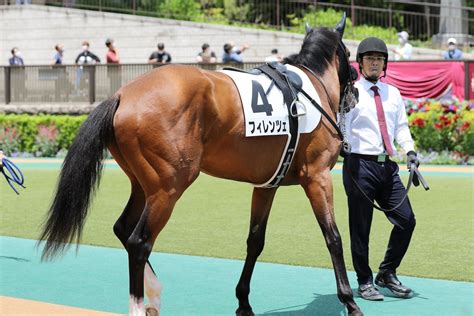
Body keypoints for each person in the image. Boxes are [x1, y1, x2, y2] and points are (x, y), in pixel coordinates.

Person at [343, 37, 419, 301]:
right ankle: (364, 281)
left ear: (384, 63)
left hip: (387, 167)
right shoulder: (350, 92)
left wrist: (409, 150)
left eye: (379, 59)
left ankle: (386, 272)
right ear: (361, 63)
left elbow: (401, 127)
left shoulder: (393, 93)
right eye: (370, 58)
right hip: (359, 165)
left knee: (407, 220)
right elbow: (343, 127)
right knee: (360, 227)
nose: (375, 62)